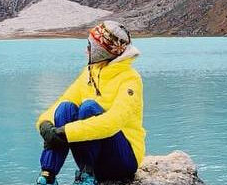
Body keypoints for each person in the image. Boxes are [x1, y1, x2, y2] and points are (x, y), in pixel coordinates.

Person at [34, 20, 144, 185]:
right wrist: (45, 124)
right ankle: (48, 175)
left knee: (88, 108)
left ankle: (87, 176)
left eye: (90, 45)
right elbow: (64, 100)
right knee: (66, 108)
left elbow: (113, 122)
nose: (86, 50)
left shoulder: (130, 79)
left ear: (102, 50)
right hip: (95, 160)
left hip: (123, 160)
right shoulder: (89, 72)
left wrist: (66, 132)